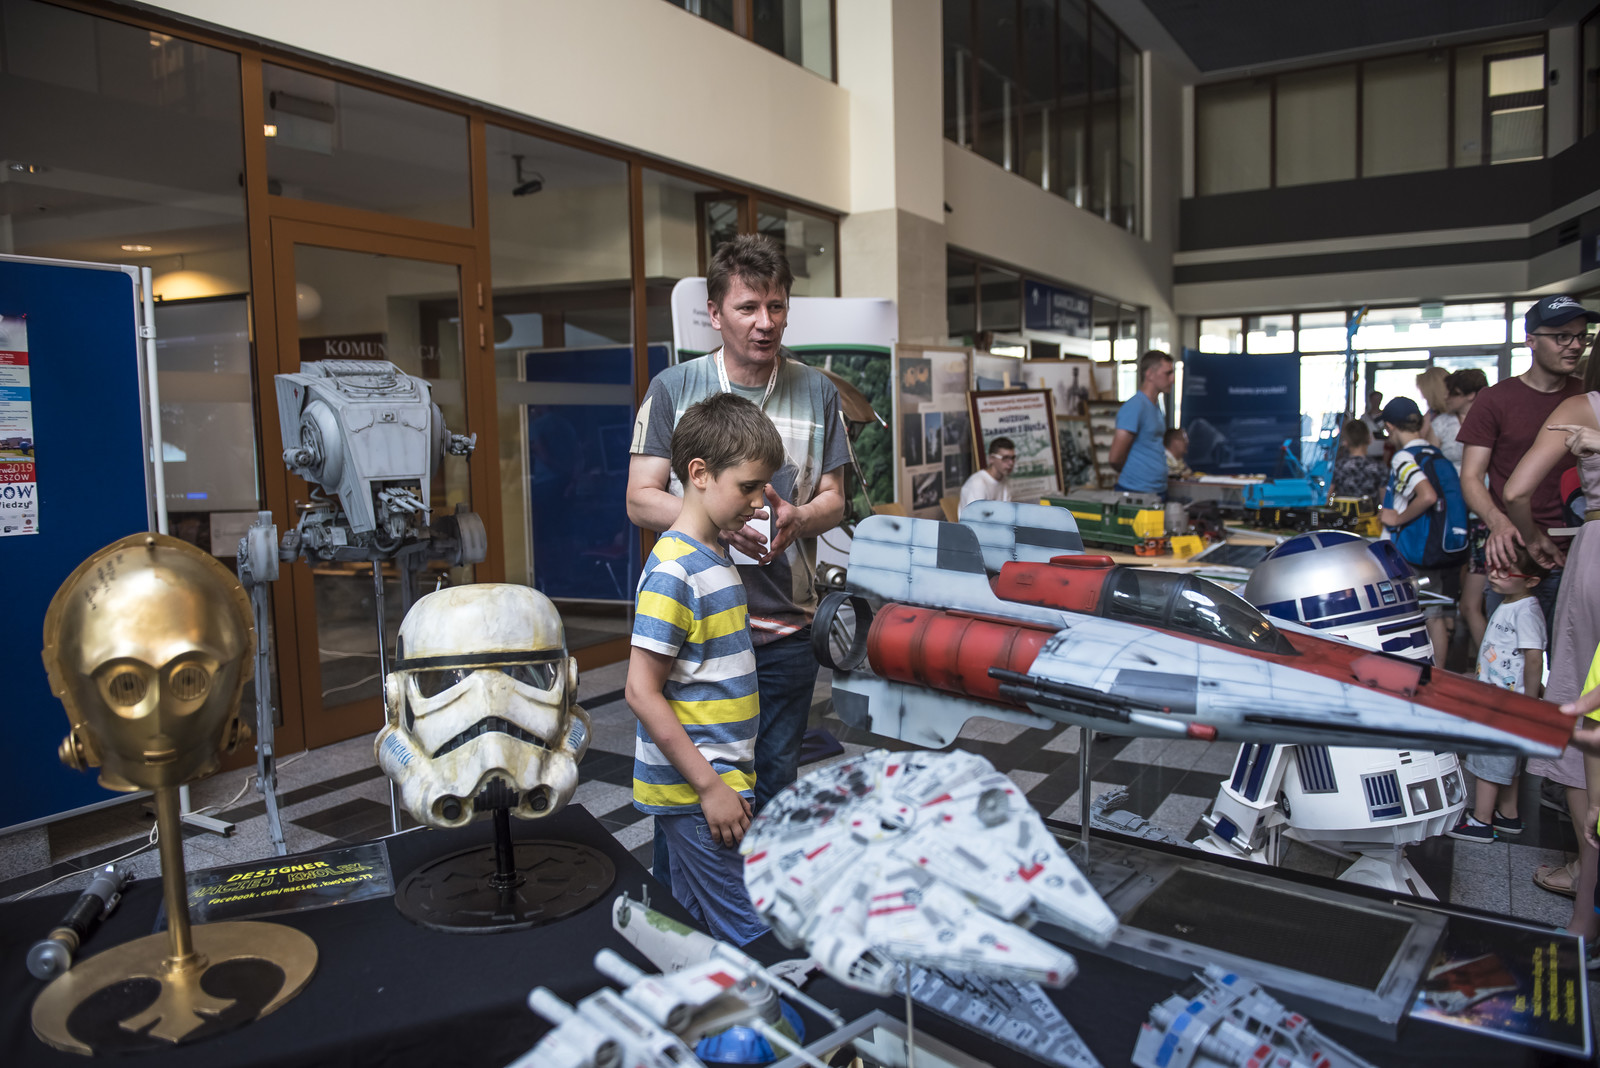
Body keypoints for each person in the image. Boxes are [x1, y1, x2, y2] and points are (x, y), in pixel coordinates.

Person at [628, 234, 848, 827]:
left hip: (786, 629)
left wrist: (800, 517)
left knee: (774, 788)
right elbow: (639, 497)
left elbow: (835, 499)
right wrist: (717, 526)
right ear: (715, 312)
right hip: (695, 628)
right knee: (691, 792)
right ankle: (690, 888)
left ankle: (760, 889)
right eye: (748, 307)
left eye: (776, 306)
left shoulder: (818, 390)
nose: (764, 322)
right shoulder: (674, 388)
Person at [626, 393, 783, 945]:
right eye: (748, 487)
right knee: (753, 932)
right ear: (699, 474)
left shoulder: (715, 555)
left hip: (718, 780)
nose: (759, 503)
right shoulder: (674, 571)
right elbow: (641, 691)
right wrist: (711, 788)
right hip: (700, 790)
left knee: (693, 931)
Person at [1502, 338, 1600, 930]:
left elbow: (1516, 490)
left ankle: (1587, 882)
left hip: (1596, 554)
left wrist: (1534, 537)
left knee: (1585, 713)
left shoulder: (1583, 408)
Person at [1456, 295, 1596, 628]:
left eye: (1581, 336)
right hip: (1516, 553)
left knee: (1575, 655)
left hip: (1580, 550)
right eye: (1562, 336)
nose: (1575, 345)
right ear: (1530, 341)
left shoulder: (1589, 398)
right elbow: (1471, 477)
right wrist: (1499, 522)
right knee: (1509, 654)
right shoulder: (1495, 399)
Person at [1447, 545, 1545, 843]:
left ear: (1531, 581)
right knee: (1506, 762)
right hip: (1499, 698)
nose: (1494, 575)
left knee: (1488, 763)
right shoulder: (1510, 603)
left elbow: (1534, 658)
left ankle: (1481, 821)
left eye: (1506, 571)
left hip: (1505, 704)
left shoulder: (1526, 611)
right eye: (1494, 567)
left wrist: (1529, 701)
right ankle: (1508, 814)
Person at [1378, 396, 1465, 666]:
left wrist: (1396, 518)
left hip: (1407, 550)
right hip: (1432, 547)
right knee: (1433, 615)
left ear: (1390, 427)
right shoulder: (1435, 454)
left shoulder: (1404, 457)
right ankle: (1438, 674)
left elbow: (1426, 495)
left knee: (1403, 614)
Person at [1446, 369, 1492, 652]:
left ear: (1471, 395)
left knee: (1471, 605)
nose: (1447, 399)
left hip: (1483, 520)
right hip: (1464, 520)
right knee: (1473, 604)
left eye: (1453, 393)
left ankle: (1490, 667)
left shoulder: (1492, 419)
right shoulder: (1442, 422)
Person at [1109, 350, 1174, 498]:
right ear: (1150, 374)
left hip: (1157, 489)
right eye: (1168, 373)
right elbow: (1115, 458)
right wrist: (1136, 474)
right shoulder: (1135, 407)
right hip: (1136, 491)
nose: (1172, 379)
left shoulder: (1155, 407)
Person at [1331, 419, 1387, 502]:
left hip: (1342, 510)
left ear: (1346, 442)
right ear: (1369, 439)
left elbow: (1327, 496)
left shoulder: (1338, 467)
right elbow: (1385, 501)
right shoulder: (1379, 467)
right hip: (1370, 510)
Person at [959, 436, 1015, 511]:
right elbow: (975, 516)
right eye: (1005, 458)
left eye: (1013, 458)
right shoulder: (978, 483)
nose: (1011, 463)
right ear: (991, 459)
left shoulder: (1005, 481)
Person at [1361, 390, 1387, 458]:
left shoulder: (1385, 417)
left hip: (1383, 451)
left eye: (1378, 399)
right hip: (1367, 451)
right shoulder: (1364, 417)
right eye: (1374, 399)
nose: (1376, 402)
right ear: (1370, 400)